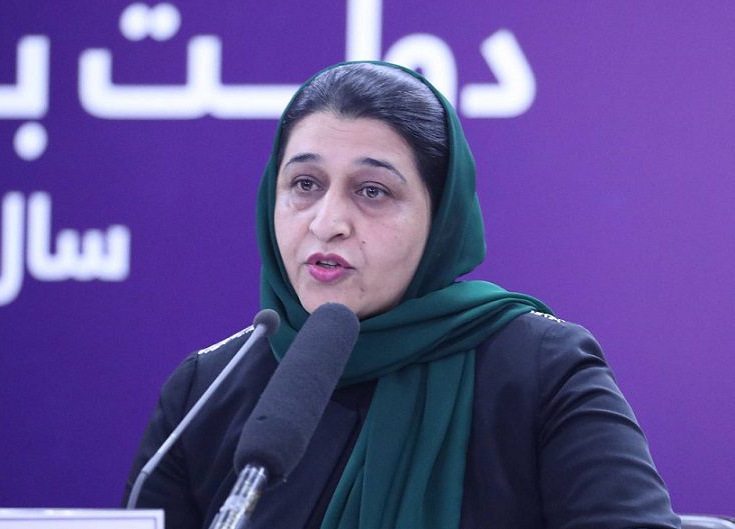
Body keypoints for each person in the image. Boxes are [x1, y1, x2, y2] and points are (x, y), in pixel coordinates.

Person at [124, 62, 679, 529]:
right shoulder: (207, 390)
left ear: (441, 218)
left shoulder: (539, 370)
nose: (327, 223)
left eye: (372, 191)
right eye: (305, 184)